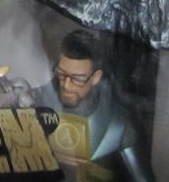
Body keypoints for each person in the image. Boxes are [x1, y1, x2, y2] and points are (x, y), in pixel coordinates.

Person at [34, 30, 154, 182]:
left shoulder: (119, 123)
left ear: (96, 77)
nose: (67, 85)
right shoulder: (38, 101)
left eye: (77, 79)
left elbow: (142, 178)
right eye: (62, 74)